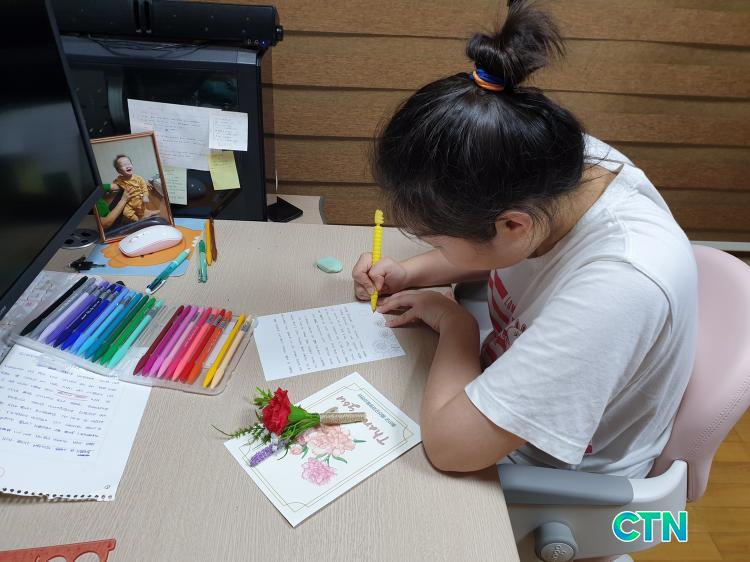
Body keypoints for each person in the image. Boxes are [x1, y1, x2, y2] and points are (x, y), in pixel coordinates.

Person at [352, 0, 698, 484]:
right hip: (505, 386)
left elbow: (451, 448)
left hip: (559, 470)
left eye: (442, 243)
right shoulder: (551, 165)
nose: (436, 253)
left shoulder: (621, 284)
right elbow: (495, 247)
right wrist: (412, 273)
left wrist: (453, 322)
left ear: (513, 225)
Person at [100, 155, 162, 230]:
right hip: (128, 203)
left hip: (139, 200)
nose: (127, 166)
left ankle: (147, 213)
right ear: (119, 171)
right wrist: (110, 191)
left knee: (141, 210)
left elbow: (144, 188)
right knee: (126, 212)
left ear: (132, 165)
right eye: (123, 165)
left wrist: (145, 196)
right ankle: (137, 220)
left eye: (129, 164)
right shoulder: (119, 180)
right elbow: (115, 185)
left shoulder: (138, 178)